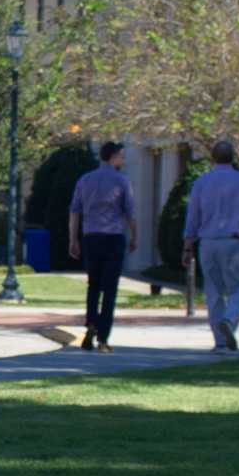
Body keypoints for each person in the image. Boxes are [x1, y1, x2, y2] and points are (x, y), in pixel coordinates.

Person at [182, 139, 239, 354]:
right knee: (238, 288)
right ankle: (229, 320)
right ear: (233, 158)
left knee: (213, 291)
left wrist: (187, 245)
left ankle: (220, 341)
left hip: (208, 243)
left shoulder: (201, 182)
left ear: (212, 158)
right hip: (234, 242)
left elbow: (193, 216)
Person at [66, 140, 136, 352]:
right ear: (113, 157)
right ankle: (103, 338)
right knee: (110, 289)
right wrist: (135, 236)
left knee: (93, 285)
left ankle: (91, 324)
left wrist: (73, 239)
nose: (123, 160)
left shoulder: (85, 180)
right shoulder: (121, 181)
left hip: (91, 237)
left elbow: (75, 212)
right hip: (113, 237)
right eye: (121, 156)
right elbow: (129, 212)